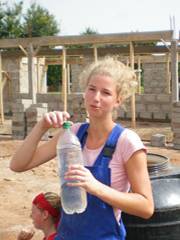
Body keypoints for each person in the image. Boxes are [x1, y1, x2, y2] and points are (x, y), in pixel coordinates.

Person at [11, 56, 154, 240]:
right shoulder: (73, 134)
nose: (96, 98)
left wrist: (95, 187)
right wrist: (41, 127)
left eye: (106, 93)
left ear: (118, 100)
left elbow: (146, 207)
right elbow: (18, 165)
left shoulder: (126, 142)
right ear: (84, 92)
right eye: (92, 89)